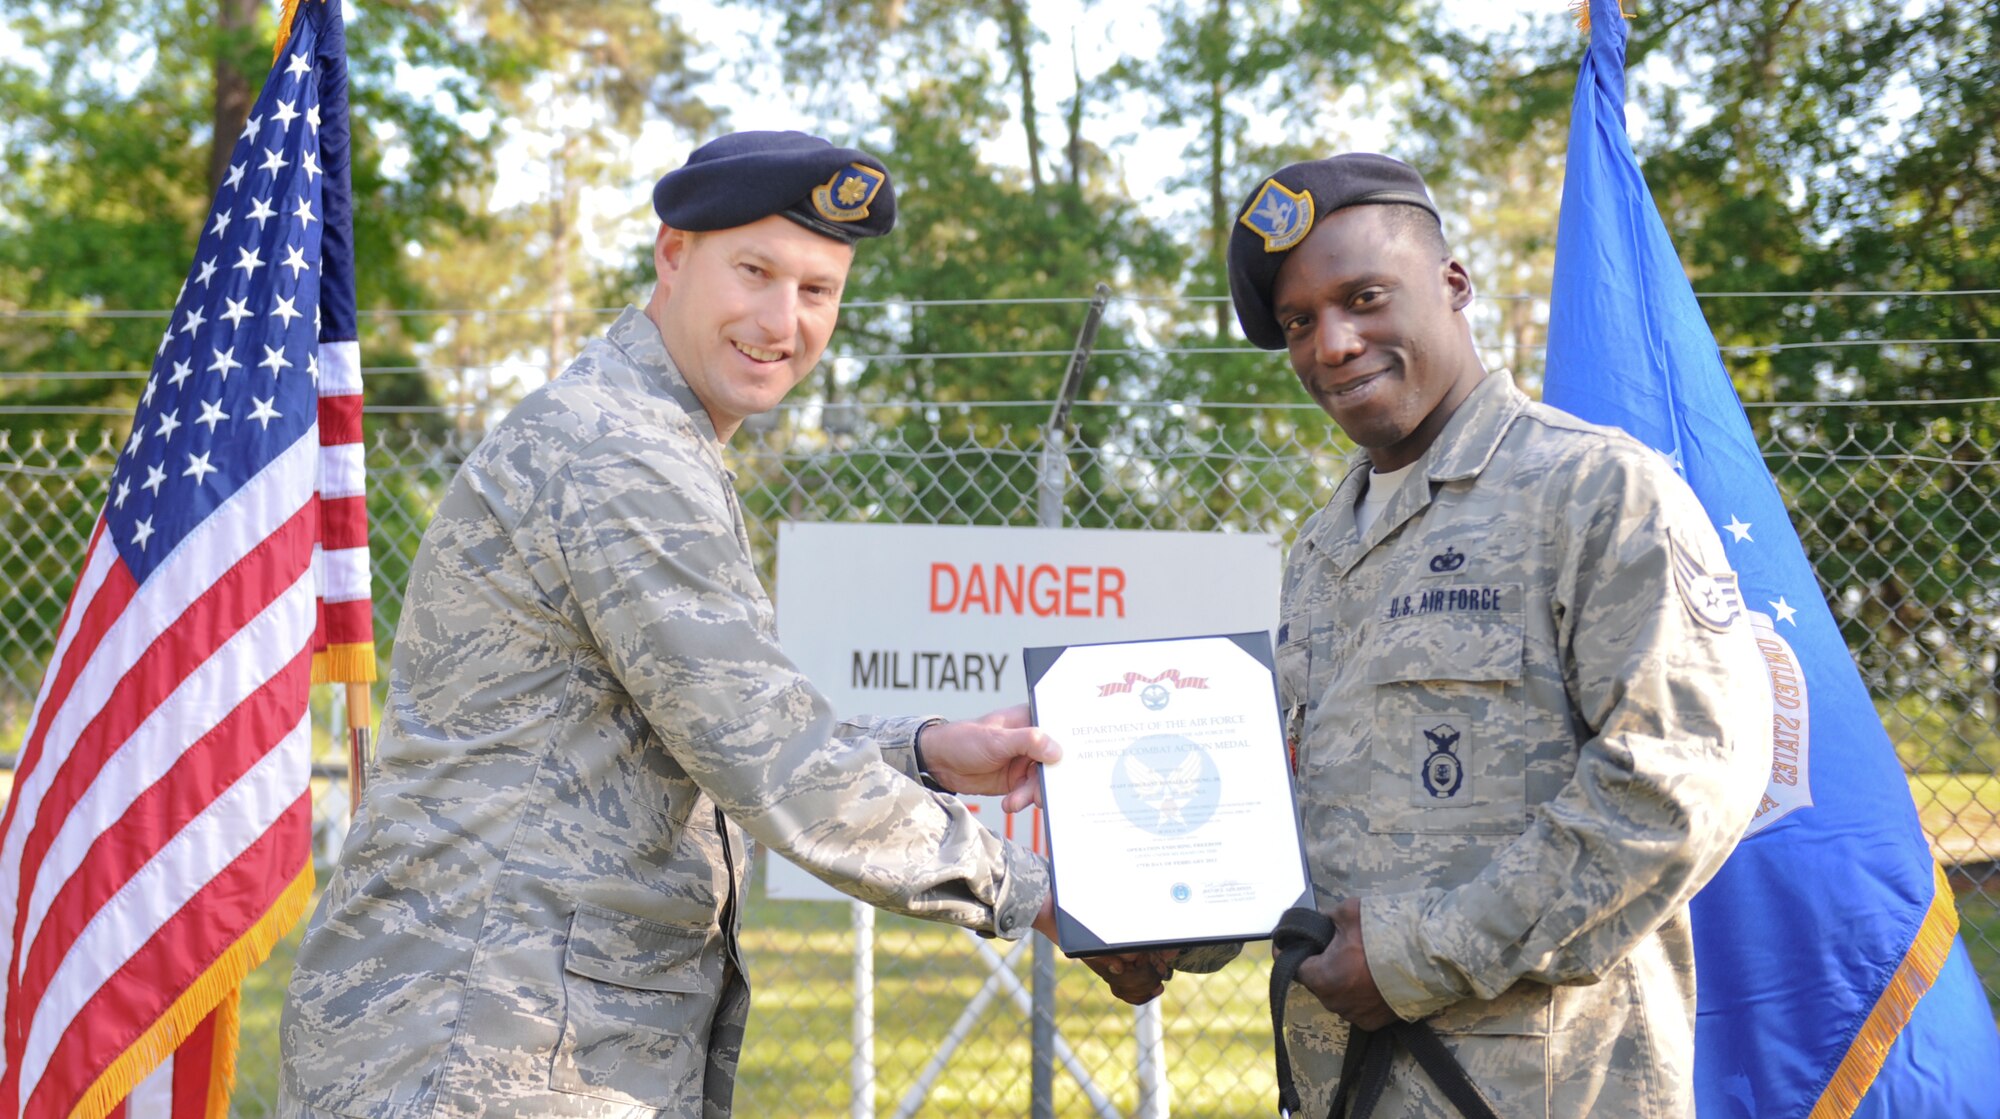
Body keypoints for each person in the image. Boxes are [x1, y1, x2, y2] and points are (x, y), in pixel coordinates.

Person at [277, 131, 1060, 1119]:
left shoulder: (646, 433)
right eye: (755, 271)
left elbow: (686, 734)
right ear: (672, 255)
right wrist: (1039, 891)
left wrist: (927, 751)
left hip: (511, 1037)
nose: (782, 321)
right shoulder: (622, 453)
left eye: (817, 290)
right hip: (485, 1052)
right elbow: (763, 756)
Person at [1093, 153, 1772, 1117]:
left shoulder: (1594, 492)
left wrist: (1420, 952)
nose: (1332, 343)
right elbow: (1299, 807)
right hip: (1344, 1091)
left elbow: (1679, 781)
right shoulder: (1325, 547)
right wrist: (1173, 922)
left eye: (1364, 297)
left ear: (1453, 284)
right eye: (1298, 322)